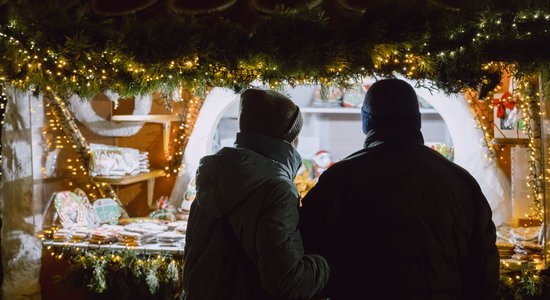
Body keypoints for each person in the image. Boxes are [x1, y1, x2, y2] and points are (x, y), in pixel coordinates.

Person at [299, 79, 499, 299]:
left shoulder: (340, 178)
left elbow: (305, 252)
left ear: (366, 122)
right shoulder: (462, 182)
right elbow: (484, 270)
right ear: (417, 121)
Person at [183, 88, 329, 300]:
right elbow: (286, 281)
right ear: (291, 137)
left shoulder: (212, 176)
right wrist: (327, 264)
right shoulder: (276, 188)